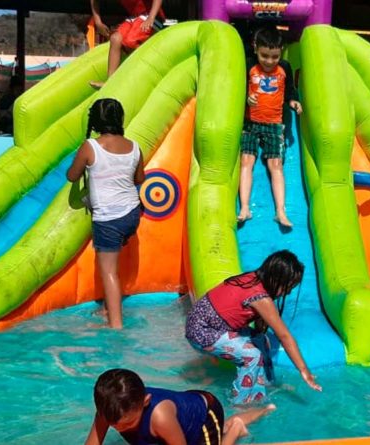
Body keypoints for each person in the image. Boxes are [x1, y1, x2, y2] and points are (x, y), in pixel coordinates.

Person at [185, 250, 322, 405]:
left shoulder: (254, 278)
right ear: (276, 279)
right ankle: (240, 404)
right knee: (252, 355)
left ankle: (265, 386)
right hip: (201, 331)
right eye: (287, 287)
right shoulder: (259, 297)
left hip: (211, 325)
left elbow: (258, 322)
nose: (289, 292)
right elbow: (284, 336)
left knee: (262, 340)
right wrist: (304, 370)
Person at [67, 98, 145, 329]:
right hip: (131, 214)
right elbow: (140, 179)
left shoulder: (91, 146)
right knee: (114, 264)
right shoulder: (134, 146)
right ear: (120, 119)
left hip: (108, 218)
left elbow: (72, 175)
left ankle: (116, 325)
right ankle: (107, 308)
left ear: (95, 121)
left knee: (109, 272)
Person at [84, 368, 274, 445]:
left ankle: (235, 429)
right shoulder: (110, 408)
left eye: (129, 423)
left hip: (205, 416)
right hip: (180, 418)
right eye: (115, 426)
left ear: (146, 401)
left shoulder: (160, 417)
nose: (122, 429)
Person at [238, 27, 302, 227]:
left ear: (281, 51)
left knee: (276, 166)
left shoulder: (284, 67)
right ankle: (245, 208)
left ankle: (280, 211)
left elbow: (290, 90)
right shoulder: (249, 65)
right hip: (250, 123)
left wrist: (293, 102)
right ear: (255, 48)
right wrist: (246, 99)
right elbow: (238, 90)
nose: (269, 61)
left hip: (275, 124)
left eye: (274, 56)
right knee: (246, 161)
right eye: (264, 55)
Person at [89, 0, 165, 88]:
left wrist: (151, 17)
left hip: (152, 17)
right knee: (115, 39)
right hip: (134, 17)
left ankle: (136, 77)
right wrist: (98, 22)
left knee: (130, 41)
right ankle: (110, 82)